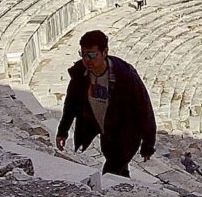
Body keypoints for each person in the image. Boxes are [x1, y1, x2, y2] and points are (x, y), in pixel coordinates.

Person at [56, 30, 156, 178]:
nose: (87, 60)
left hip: (127, 131)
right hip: (105, 130)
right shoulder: (81, 74)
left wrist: (148, 145)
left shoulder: (125, 75)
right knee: (115, 163)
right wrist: (62, 131)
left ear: (105, 52)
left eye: (92, 55)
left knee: (111, 171)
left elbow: (144, 109)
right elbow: (71, 104)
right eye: (83, 54)